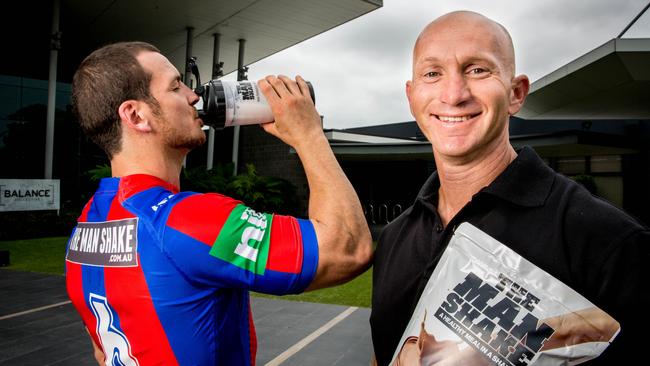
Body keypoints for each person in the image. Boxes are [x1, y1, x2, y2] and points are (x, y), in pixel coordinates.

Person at [65, 41, 372, 365]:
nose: (193, 96)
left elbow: (102, 351)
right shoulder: (186, 220)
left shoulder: (84, 229)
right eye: (175, 86)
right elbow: (348, 248)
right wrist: (309, 134)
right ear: (136, 115)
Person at [370, 10, 649, 366]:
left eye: (477, 70)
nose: (453, 94)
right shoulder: (395, 236)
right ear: (412, 97)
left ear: (516, 93)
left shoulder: (608, 241)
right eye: (432, 73)